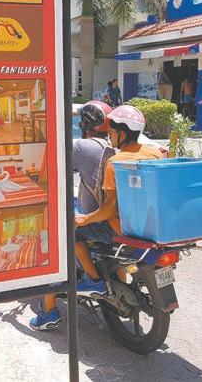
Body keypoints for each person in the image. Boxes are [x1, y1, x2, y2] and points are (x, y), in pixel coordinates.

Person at [29, 105, 162, 330]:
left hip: (119, 226)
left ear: (122, 133)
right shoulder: (153, 153)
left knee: (65, 233)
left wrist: (85, 219)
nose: (110, 135)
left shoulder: (114, 161)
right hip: (147, 224)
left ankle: (83, 287)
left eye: (113, 131)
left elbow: (109, 209)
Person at [29, 100, 113, 330]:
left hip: (98, 218)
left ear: (86, 123)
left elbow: (53, 170)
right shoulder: (114, 145)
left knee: (56, 243)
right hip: (118, 218)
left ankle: (48, 313)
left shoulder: (83, 146)